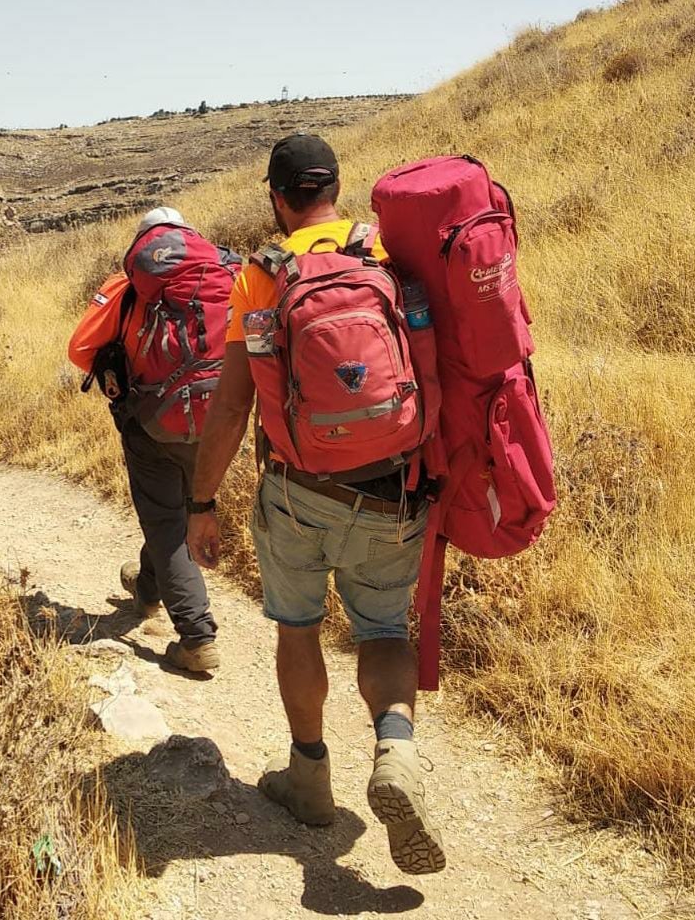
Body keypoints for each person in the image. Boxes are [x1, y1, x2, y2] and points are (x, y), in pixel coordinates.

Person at [184, 135, 446, 875]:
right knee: (383, 628)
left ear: (276, 196)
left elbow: (233, 405)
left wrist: (202, 501)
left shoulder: (261, 277)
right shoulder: (384, 254)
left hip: (299, 494)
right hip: (395, 487)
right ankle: (395, 747)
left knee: (297, 625)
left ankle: (309, 777)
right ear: (336, 187)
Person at [68, 206, 229, 674]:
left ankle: (197, 636)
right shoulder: (225, 274)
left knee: (165, 521)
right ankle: (146, 589)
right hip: (221, 421)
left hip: (154, 421)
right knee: (175, 510)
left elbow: (79, 350)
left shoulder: (127, 287)